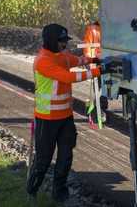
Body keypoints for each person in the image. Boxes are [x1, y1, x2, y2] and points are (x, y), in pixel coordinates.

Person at [27, 23, 101, 202]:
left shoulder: (62, 56)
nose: (64, 44)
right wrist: (99, 72)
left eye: (65, 41)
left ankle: (59, 192)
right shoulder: (43, 61)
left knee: (66, 156)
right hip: (47, 119)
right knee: (43, 160)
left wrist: (93, 61)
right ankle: (31, 191)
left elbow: (78, 61)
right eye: (61, 41)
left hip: (65, 118)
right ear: (51, 40)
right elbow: (68, 77)